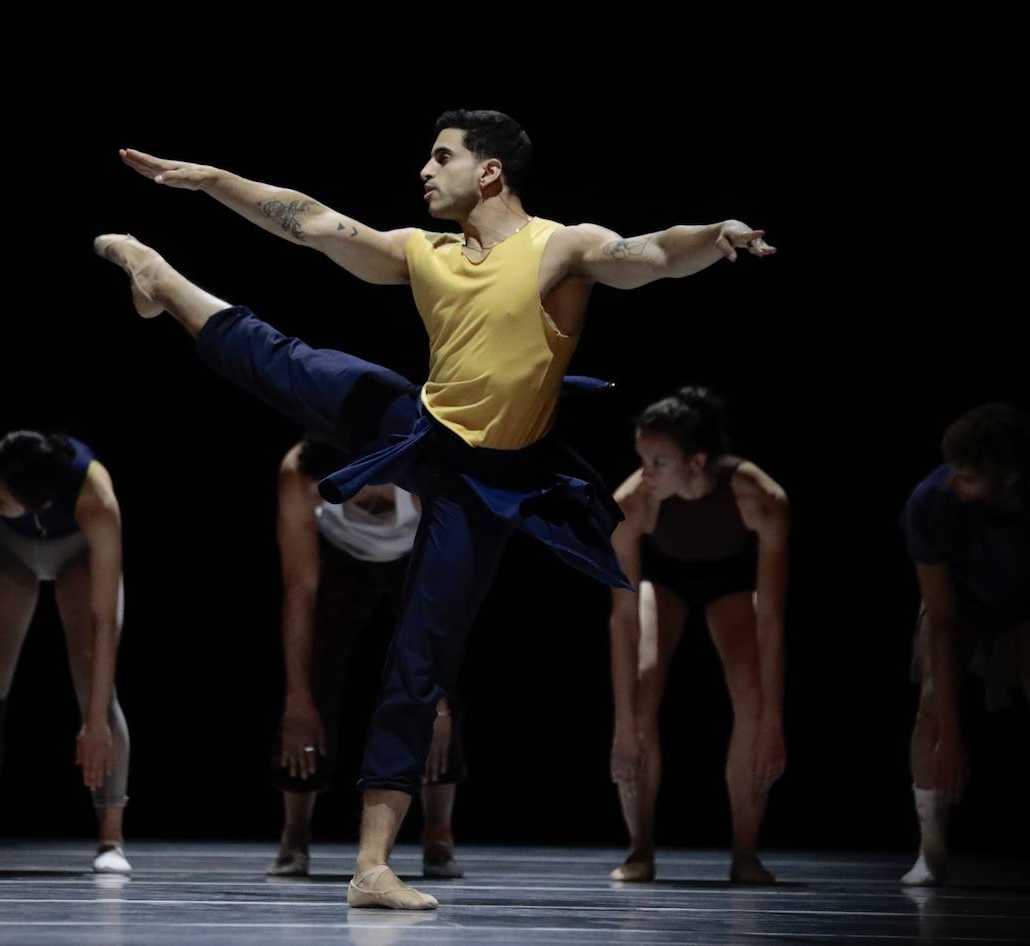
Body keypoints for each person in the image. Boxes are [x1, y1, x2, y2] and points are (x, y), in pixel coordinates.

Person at [104, 107, 775, 908]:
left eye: (441, 156)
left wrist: (717, 234)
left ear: (488, 171)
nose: (425, 170)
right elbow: (313, 222)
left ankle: (371, 867)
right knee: (289, 366)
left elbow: (653, 253)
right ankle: (160, 277)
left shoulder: (558, 247)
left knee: (421, 658)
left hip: (489, 482)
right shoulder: (424, 253)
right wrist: (212, 180)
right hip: (420, 428)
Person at [900, 402, 1030, 888]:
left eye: (965, 475)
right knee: (932, 711)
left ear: (1006, 480)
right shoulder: (929, 503)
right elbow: (941, 620)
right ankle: (932, 847)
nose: (951, 482)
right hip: (960, 599)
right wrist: (953, 736)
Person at [607, 388, 789, 884]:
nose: (646, 472)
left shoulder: (760, 498)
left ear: (697, 461)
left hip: (730, 580)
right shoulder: (632, 503)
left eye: (659, 461)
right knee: (643, 689)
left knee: (750, 695)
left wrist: (774, 718)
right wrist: (624, 725)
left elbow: (771, 616)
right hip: (661, 577)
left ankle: (745, 852)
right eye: (642, 459)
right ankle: (639, 848)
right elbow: (622, 619)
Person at [0, 430, 131, 874]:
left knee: (95, 686)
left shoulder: (97, 500)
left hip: (77, 553)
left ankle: (111, 837)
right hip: (11, 554)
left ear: (38, 502)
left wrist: (95, 719)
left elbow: (103, 620)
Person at [269, 437, 465, 880]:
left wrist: (438, 702)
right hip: (338, 557)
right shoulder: (300, 473)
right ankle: (295, 833)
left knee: (436, 691)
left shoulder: (419, 471)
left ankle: (438, 831)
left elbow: (438, 596)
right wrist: (297, 698)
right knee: (312, 680)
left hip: (412, 558)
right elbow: (299, 589)